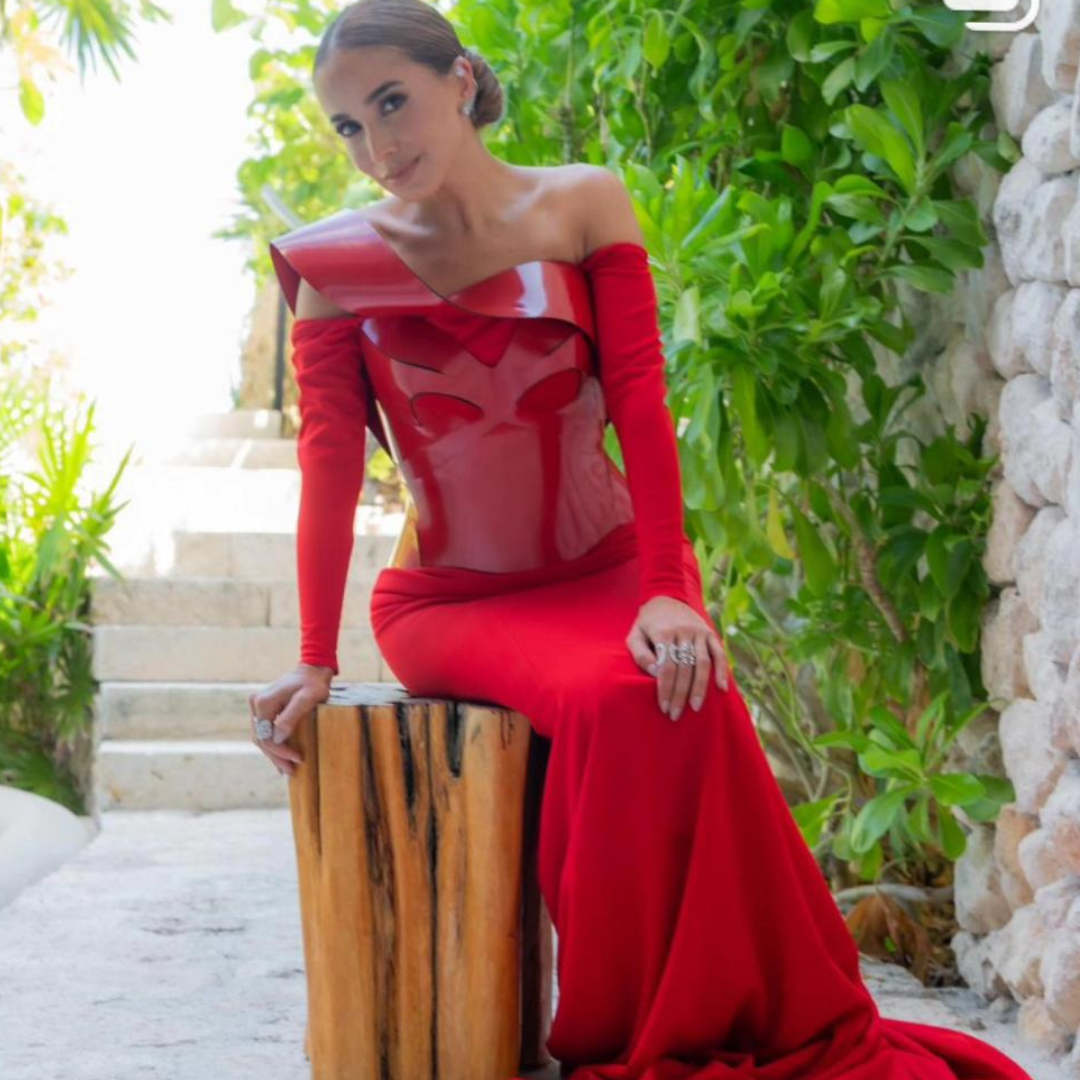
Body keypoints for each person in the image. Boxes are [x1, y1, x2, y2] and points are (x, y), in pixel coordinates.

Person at [249, 2, 1037, 1078]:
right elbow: (330, 468)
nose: (377, 146)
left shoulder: (583, 202)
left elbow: (641, 403)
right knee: (621, 700)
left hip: (615, 568)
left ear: (464, 81)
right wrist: (312, 653)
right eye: (347, 125)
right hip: (453, 602)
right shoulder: (329, 266)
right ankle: (630, 1031)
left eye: (393, 101)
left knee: (687, 685)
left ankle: (755, 1007)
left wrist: (670, 587)